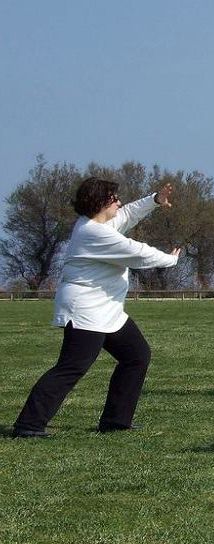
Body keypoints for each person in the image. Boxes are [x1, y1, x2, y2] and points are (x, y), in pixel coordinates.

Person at [12, 178, 181, 437]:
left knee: (137, 355)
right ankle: (28, 425)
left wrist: (154, 200)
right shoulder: (92, 232)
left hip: (107, 310)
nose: (119, 202)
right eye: (114, 198)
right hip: (85, 310)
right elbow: (137, 253)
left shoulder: (98, 225)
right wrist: (170, 260)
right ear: (100, 203)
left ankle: (116, 421)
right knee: (71, 367)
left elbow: (127, 214)